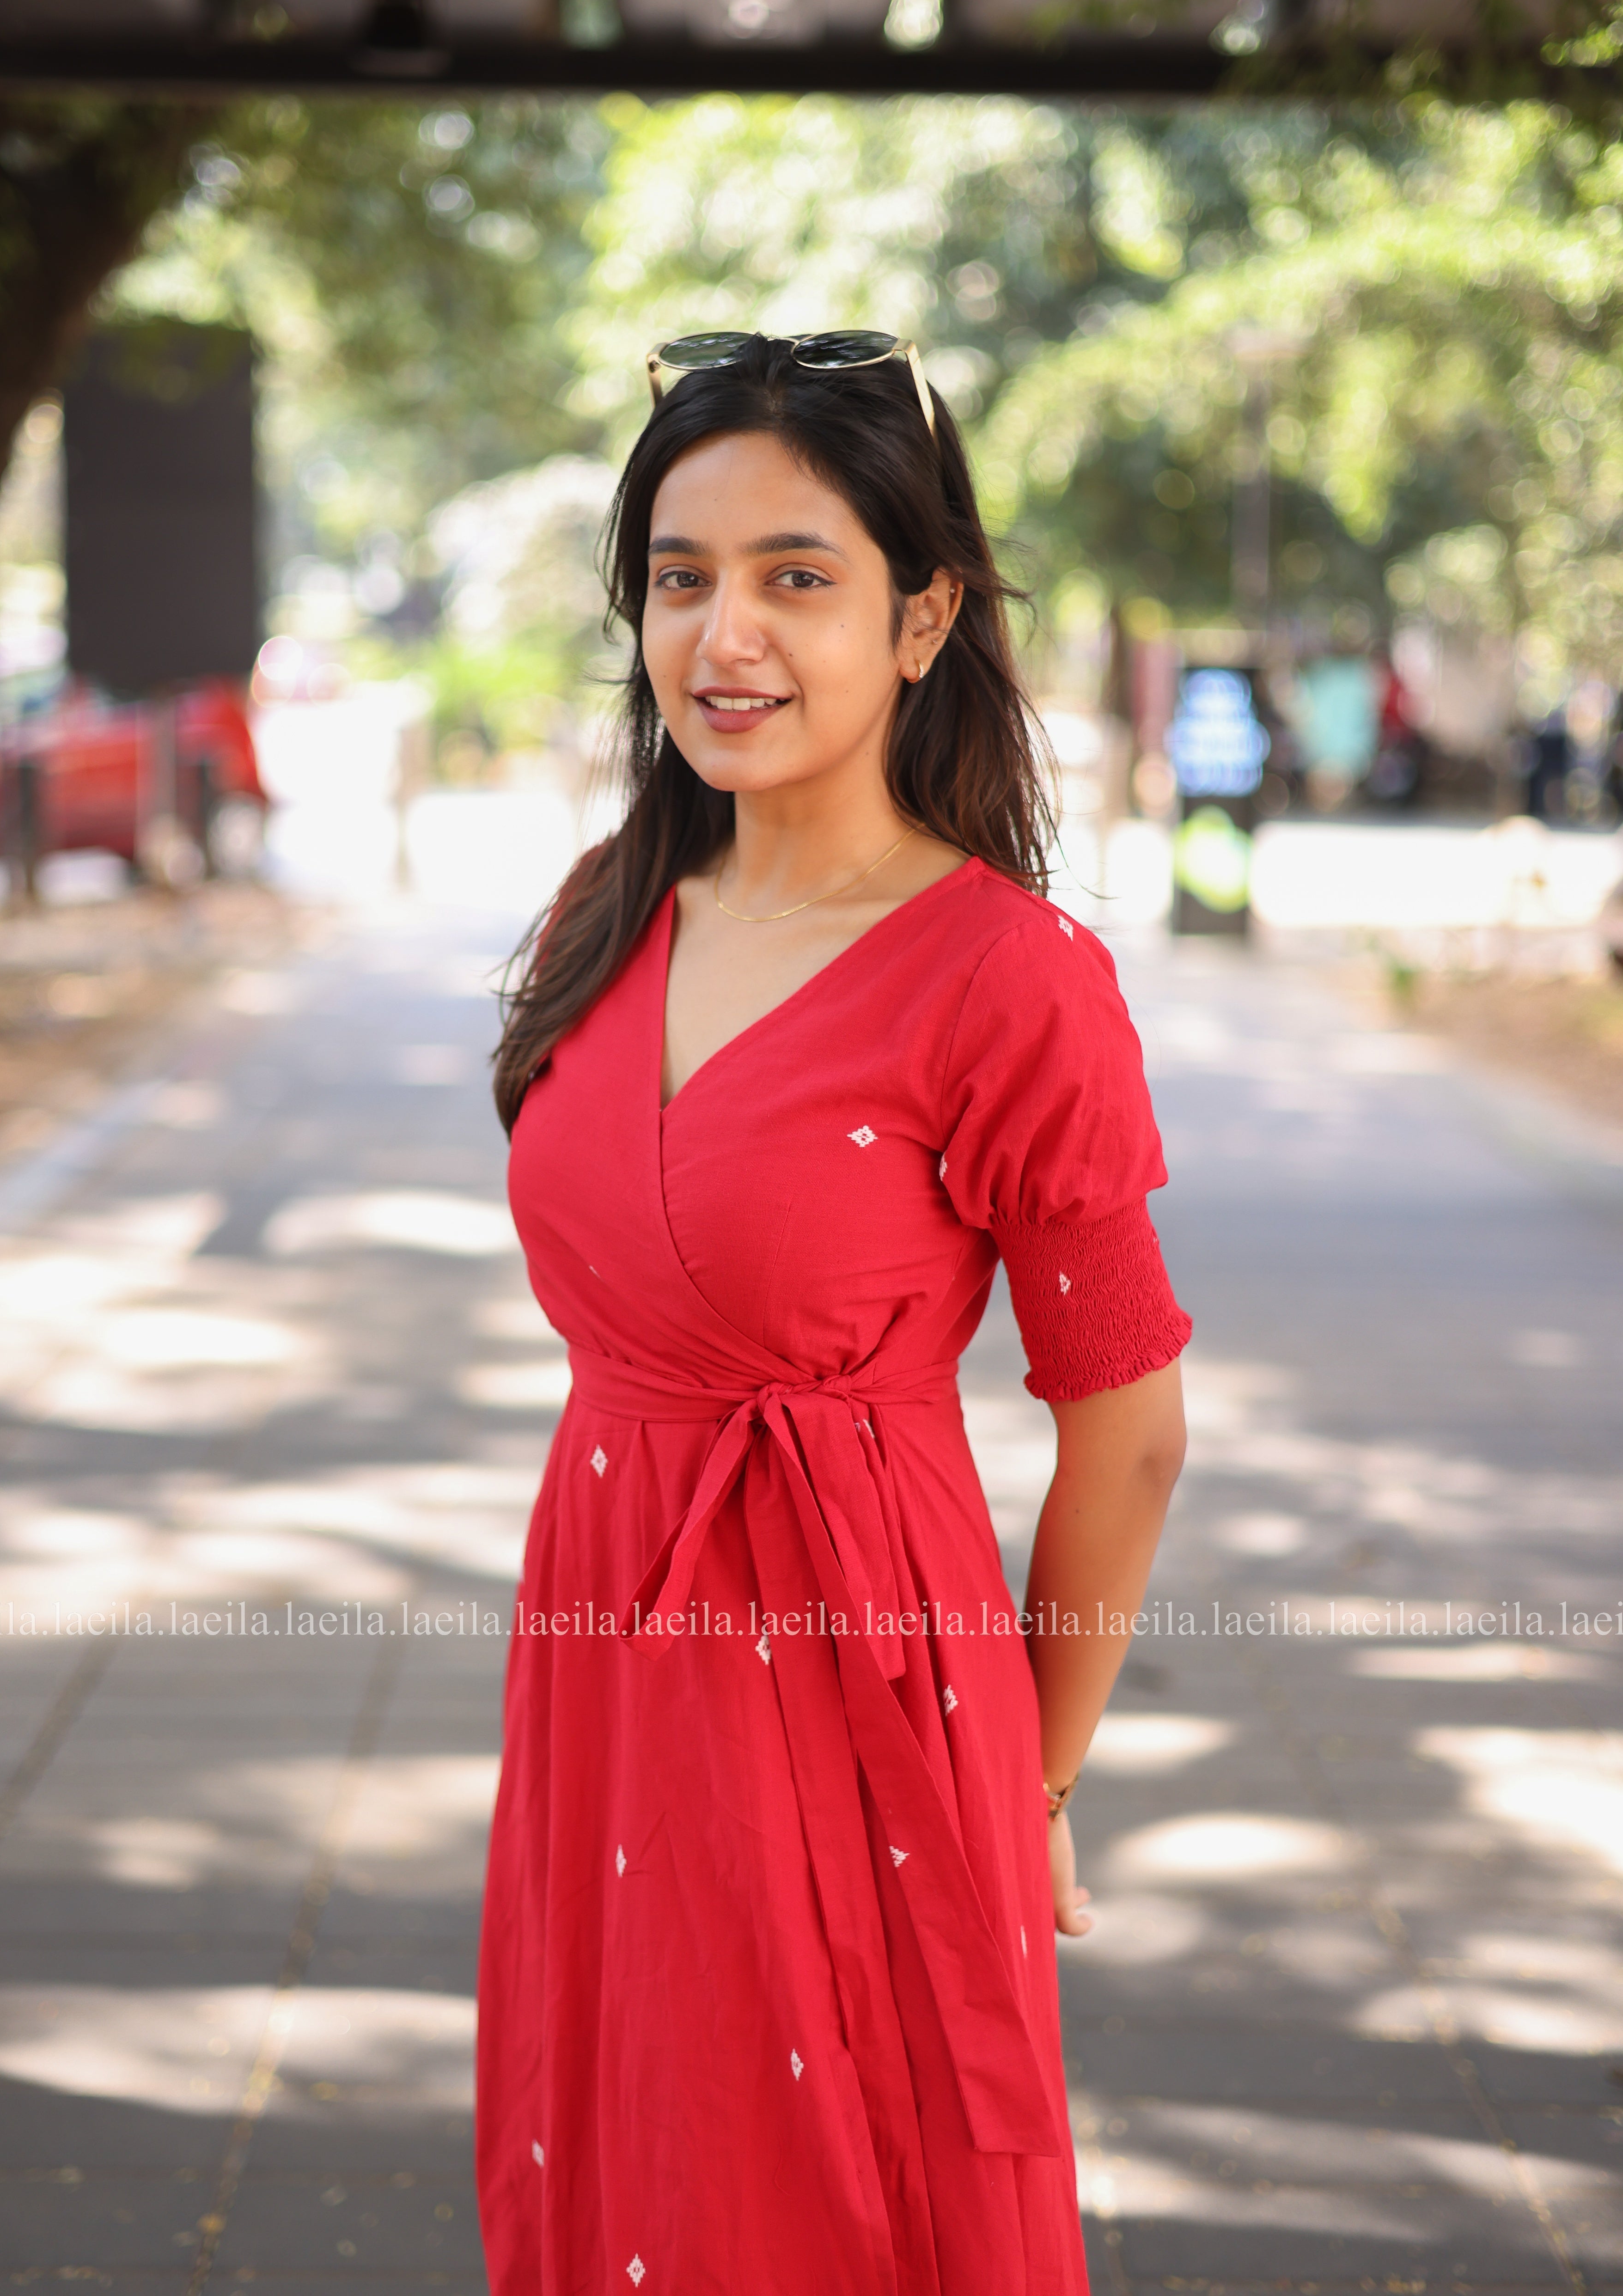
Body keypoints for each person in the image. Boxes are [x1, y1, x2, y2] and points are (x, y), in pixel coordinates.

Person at [478, 331, 1191, 2295]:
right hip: (606, 1636)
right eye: (683, 576)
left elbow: (1128, 1423)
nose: (729, 634)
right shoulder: (604, 906)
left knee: (836, 2194)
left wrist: (1030, 1776)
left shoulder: (1009, 979)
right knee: (619, 2147)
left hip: (866, 1666)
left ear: (922, 611)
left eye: (798, 575)